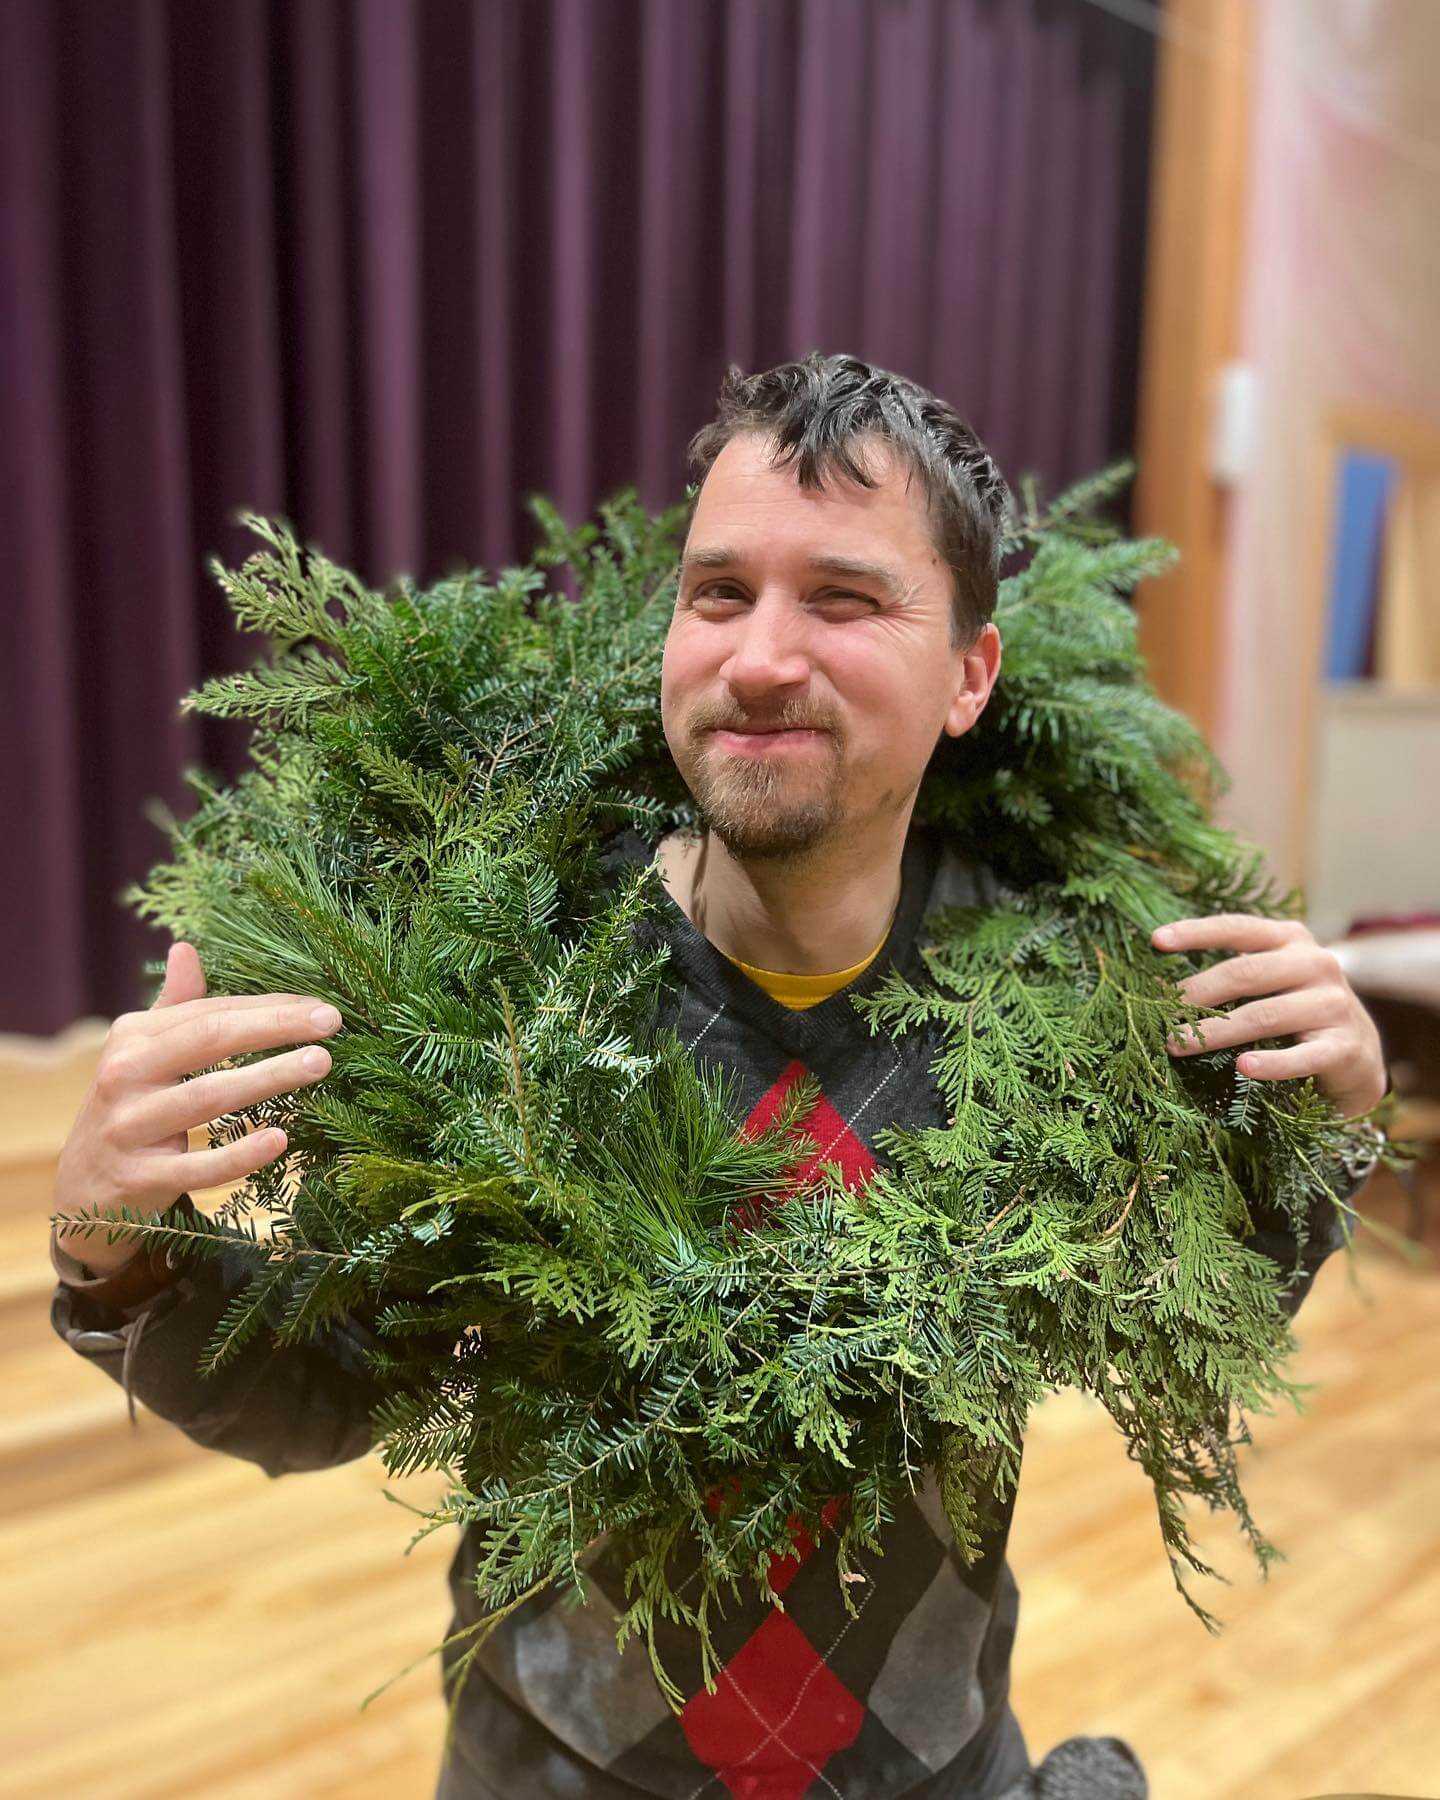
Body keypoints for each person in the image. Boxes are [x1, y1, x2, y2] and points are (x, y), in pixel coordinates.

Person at [49, 353, 1386, 1799]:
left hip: (921, 1768)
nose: (758, 657)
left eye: (846, 597)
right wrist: (113, 1255)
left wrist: (1326, 1117)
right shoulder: (505, 983)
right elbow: (321, 1391)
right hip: (547, 1768)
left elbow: (1197, 1307)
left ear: (970, 676)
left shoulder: (1063, 995)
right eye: (718, 592)